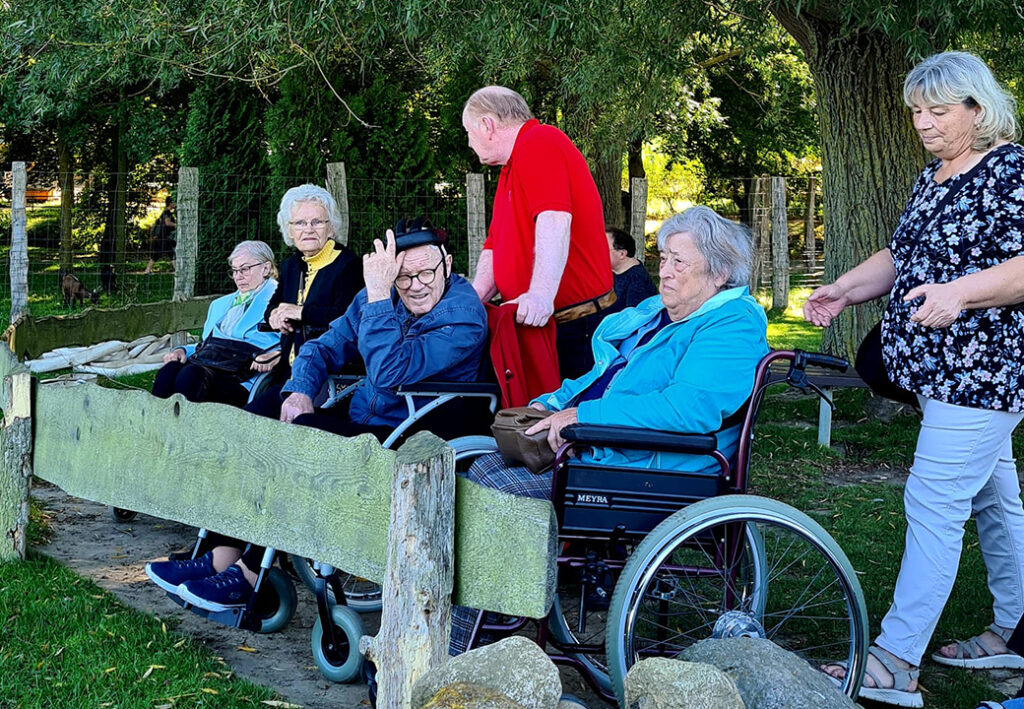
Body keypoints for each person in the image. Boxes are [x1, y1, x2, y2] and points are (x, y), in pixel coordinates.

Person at [449, 205, 769, 654]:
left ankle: (462, 642)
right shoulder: (660, 313)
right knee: (484, 468)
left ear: (718, 274)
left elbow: (688, 410)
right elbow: (605, 373)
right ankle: (492, 611)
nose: (665, 271)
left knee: (500, 488)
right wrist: (555, 401)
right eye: (664, 258)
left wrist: (585, 417)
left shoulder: (732, 324)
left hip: (655, 467)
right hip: (610, 449)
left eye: (679, 262)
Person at [807, 51, 1024, 708]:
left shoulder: (1012, 170)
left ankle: (896, 659)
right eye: (916, 111)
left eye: (937, 111)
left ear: (977, 109)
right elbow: (903, 255)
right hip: (939, 374)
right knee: (995, 502)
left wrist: (960, 293)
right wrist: (846, 289)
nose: (923, 123)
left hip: (983, 375)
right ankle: (1017, 628)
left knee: (933, 504)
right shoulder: (934, 175)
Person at [145, 217, 489, 611]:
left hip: (418, 432)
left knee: (302, 437)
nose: (415, 285)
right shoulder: (380, 296)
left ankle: (251, 574)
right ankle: (222, 553)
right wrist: (299, 390)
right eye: (402, 276)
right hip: (372, 417)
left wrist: (380, 295)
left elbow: (390, 372)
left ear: (447, 264)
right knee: (264, 414)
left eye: (425, 272)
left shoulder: (462, 313)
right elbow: (321, 347)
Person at [462, 86, 614, 382]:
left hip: (574, 326)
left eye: (469, 131)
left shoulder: (539, 141)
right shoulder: (511, 167)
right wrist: (471, 302)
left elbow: (554, 218)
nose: (469, 142)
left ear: (487, 125)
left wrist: (541, 295)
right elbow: (495, 245)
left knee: (565, 409)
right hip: (545, 323)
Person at [244, 184, 363, 420]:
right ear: (289, 230)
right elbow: (274, 306)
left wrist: (301, 313)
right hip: (286, 374)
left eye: (317, 222)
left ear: (331, 227)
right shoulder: (291, 266)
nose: (308, 229)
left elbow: (348, 318)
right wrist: (274, 316)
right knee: (251, 422)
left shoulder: (349, 266)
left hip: (331, 379)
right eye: (299, 223)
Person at [151, 240, 279, 407]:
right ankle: (156, 422)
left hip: (245, 380)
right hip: (209, 366)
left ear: (266, 269)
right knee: (169, 370)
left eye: (245, 269)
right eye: (234, 270)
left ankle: (186, 423)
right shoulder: (219, 305)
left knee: (191, 375)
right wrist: (182, 350)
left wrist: (276, 355)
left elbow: (294, 345)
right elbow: (208, 346)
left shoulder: (282, 302)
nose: (238, 276)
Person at [607, 226, 657, 310]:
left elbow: (632, 317)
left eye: (603, 248)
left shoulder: (638, 280)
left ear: (622, 254)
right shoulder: (611, 271)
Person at [144, 196, 176, 275]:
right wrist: (177, 225)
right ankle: (147, 270)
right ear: (170, 203)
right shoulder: (167, 212)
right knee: (159, 254)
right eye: (174, 202)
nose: (175, 204)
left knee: (170, 253)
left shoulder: (165, 211)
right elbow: (167, 223)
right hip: (164, 237)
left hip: (164, 237)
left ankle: (177, 270)